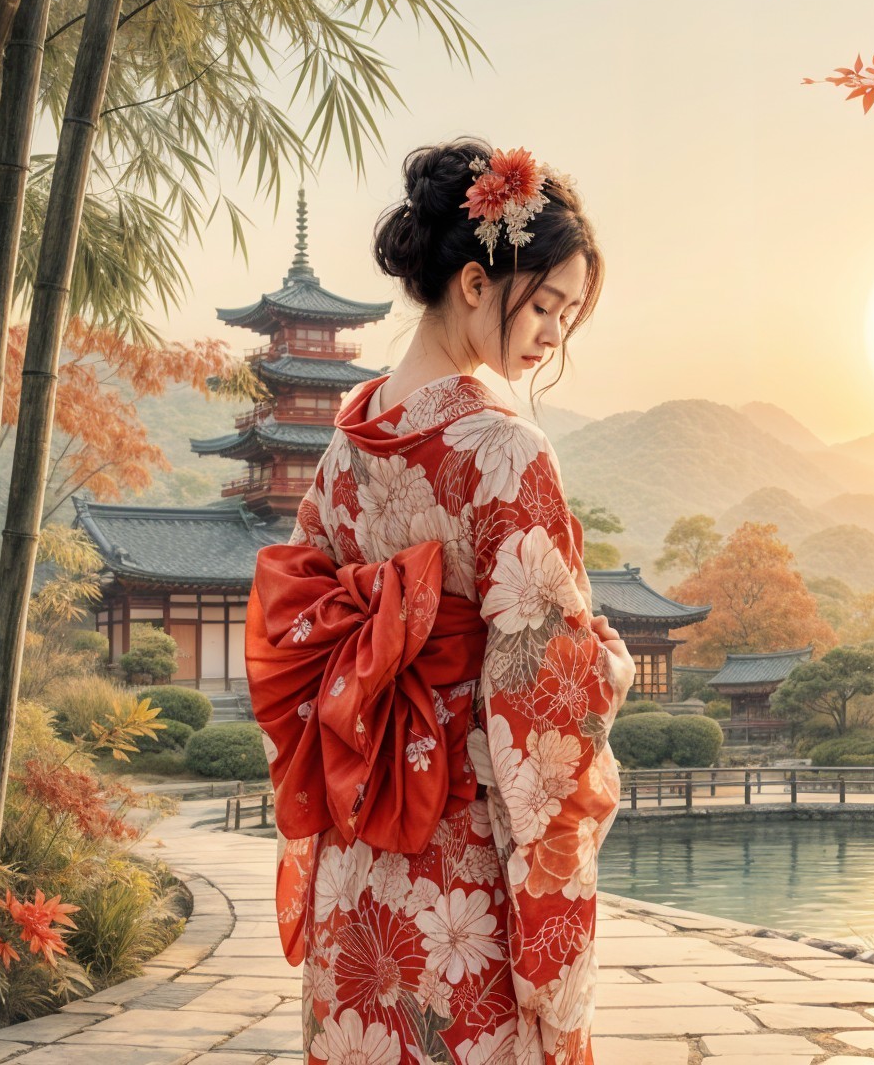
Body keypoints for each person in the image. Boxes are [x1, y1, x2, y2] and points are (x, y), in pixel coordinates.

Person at [245, 136, 636, 1065]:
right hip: (461, 844)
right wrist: (606, 662)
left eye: (569, 318)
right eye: (545, 305)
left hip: (363, 826)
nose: (553, 336)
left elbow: (301, 629)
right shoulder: (505, 448)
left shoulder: (348, 443)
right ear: (473, 282)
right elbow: (540, 684)